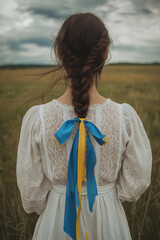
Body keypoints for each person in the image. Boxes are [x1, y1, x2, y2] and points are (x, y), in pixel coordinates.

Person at [16, 12, 152, 240]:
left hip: (57, 220)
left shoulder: (37, 118)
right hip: (108, 219)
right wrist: (105, 195)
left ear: (60, 54)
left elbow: (32, 196)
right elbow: (135, 183)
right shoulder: (124, 117)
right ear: (105, 54)